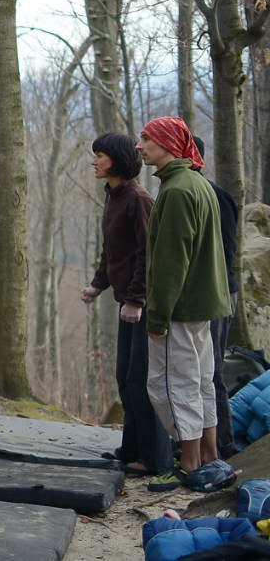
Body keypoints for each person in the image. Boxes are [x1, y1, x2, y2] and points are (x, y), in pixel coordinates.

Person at [136, 117, 237, 493]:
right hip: (204, 306)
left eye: (146, 138)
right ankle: (210, 457)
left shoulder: (178, 190)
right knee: (199, 383)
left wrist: (158, 315)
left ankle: (190, 463)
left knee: (168, 386)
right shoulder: (197, 183)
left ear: (166, 144)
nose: (140, 145)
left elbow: (170, 262)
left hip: (180, 309)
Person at [79, 133, 172, 476]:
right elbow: (113, 250)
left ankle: (156, 459)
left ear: (116, 160)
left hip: (142, 306)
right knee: (125, 377)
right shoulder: (114, 196)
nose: (94, 161)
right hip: (126, 303)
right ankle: (130, 449)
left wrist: (136, 299)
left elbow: (148, 255)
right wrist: (97, 285)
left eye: (100, 155)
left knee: (141, 381)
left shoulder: (139, 200)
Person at [193, 135, 242, 460]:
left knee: (211, 372)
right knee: (196, 372)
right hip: (205, 294)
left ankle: (221, 446)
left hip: (218, 293)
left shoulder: (215, 196)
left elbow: (225, 251)